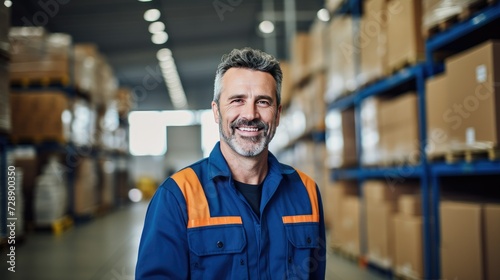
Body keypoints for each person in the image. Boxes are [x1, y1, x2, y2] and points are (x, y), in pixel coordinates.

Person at [135, 47, 326, 279]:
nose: (250, 114)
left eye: (263, 102)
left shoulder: (306, 192)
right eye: (237, 100)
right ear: (216, 112)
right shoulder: (177, 196)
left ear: (277, 114)